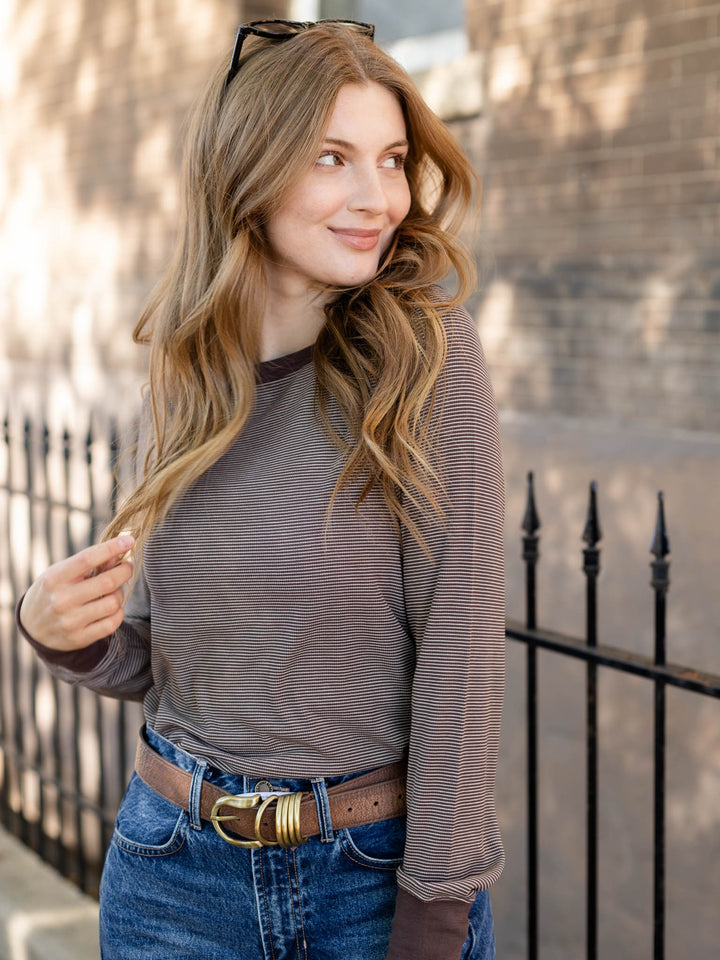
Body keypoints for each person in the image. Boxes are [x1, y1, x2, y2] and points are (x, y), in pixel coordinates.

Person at [16, 19, 505, 960]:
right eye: (334, 158)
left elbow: (462, 665)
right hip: (171, 878)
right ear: (250, 170)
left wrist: (437, 915)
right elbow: (172, 671)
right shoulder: (184, 377)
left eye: (394, 158)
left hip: (370, 884)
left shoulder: (427, 364)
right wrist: (58, 634)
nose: (380, 197)